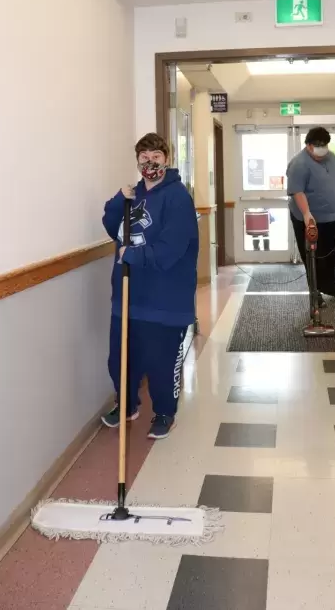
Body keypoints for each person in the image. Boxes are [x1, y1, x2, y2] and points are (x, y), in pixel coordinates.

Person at [101, 132, 199, 440]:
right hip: (128, 296)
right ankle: (127, 405)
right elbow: (110, 225)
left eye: (155, 155)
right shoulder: (134, 196)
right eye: (143, 157)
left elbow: (172, 249)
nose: (149, 162)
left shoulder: (178, 197)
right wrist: (120, 199)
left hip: (164, 300)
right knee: (121, 359)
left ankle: (164, 412)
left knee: (161, 361)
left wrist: (134, 255)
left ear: (166, 158)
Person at [287, 126, 335, 300]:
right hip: (311, 220)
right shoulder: (299, 163)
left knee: (334, 251)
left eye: (325, 144)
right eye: (319, 144)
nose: (323, 148)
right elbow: (298, 192)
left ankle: (329, 283)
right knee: (313, 256)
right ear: (309, 145)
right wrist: (307, 214)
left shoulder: (332, 158)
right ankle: (315, 292)